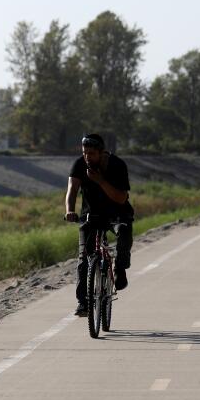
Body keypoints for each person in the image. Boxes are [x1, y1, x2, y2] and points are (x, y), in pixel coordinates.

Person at [63, 133, 134, 317]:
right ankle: (83, 303)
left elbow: (121, 197)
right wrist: (70, 210)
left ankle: (119, 269)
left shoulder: (117, 165)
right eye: (85, 152)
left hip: (117, 214)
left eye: (92, 153)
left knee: (124, 232)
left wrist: (100, 181)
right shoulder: (80, 164)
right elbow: (72, 189)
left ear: (102, 153)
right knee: (84, 258)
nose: (87, 157)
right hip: (91, 215)